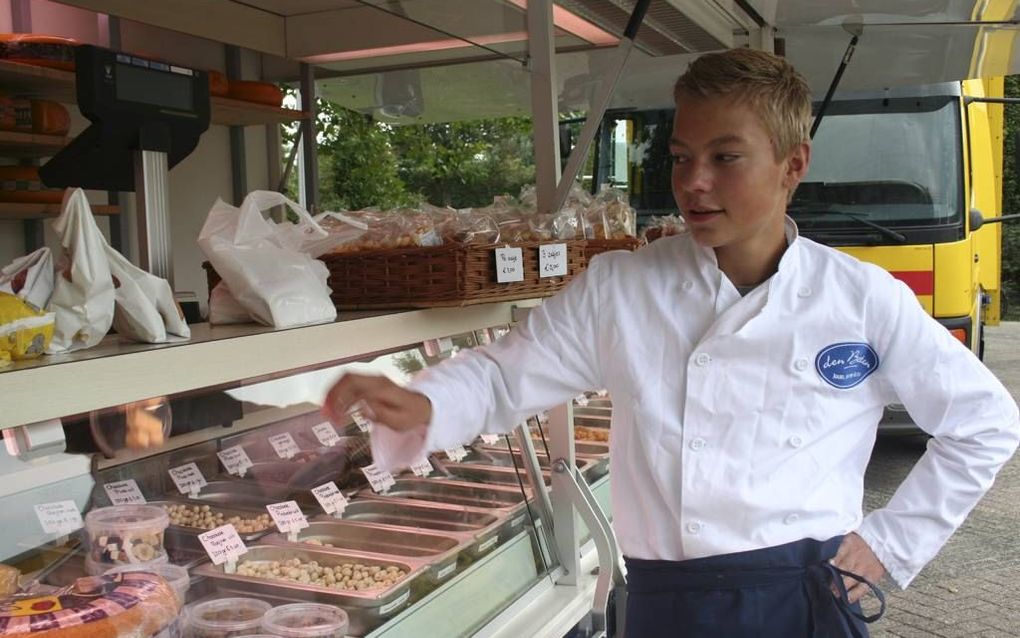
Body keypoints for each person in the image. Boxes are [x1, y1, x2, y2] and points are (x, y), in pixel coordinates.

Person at [322, 48, 1020, 637]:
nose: (694, 182)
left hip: (803, 595)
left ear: (793, 164)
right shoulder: (623, 287)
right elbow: (506, 378)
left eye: (725, 157)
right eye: (681, 156)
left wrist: (888, 545)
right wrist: (425, 403)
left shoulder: (861, 298)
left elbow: (984, 424)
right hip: (666, 600)